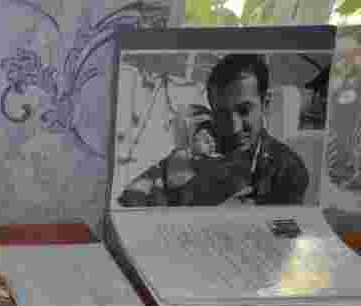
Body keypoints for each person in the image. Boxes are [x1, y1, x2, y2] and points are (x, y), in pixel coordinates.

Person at [206, 53, 309, 205]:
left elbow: (284, 225)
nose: (235, 128)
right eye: (222, 114)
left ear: (265, 104)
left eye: (244, 111)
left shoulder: (288, 169)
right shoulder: (198, 157)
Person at [117, 119, 251, 207]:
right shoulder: (180, 155)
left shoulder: (215, 162)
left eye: (215, 141)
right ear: (191, 138)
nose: (211, 141)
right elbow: (134, 194)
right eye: (206, 136)